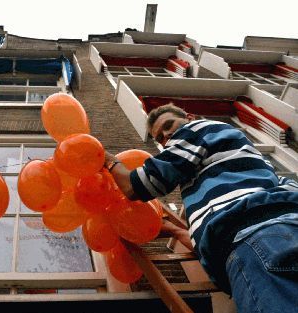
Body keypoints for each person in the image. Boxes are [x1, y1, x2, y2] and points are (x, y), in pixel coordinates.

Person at [104, 103, 298, 313]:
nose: (167, 135)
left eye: (170, 125)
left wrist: (108, 160)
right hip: (276, 232)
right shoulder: (240, 165)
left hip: (254, 239)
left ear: (190, 117)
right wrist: (176, 231)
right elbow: (209, 241)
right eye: (160, 138)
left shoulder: (195, 130)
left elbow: (135, 187)